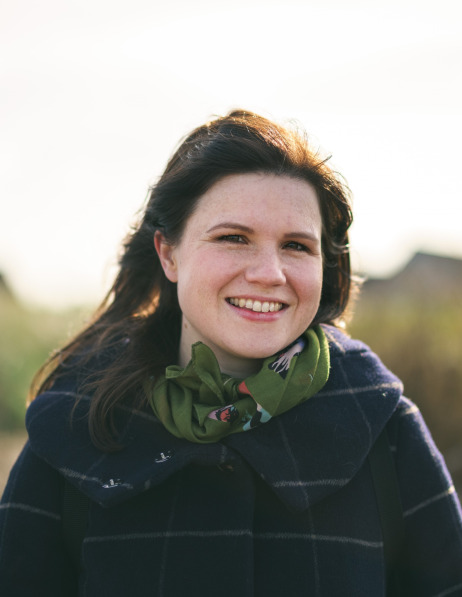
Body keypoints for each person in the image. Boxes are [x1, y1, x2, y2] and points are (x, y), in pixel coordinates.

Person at [1, 110, 461, 597]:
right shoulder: (75, 424)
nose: (270, 273)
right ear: (169, 253)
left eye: (296, 246)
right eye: (233, 238)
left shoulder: (383, 427)